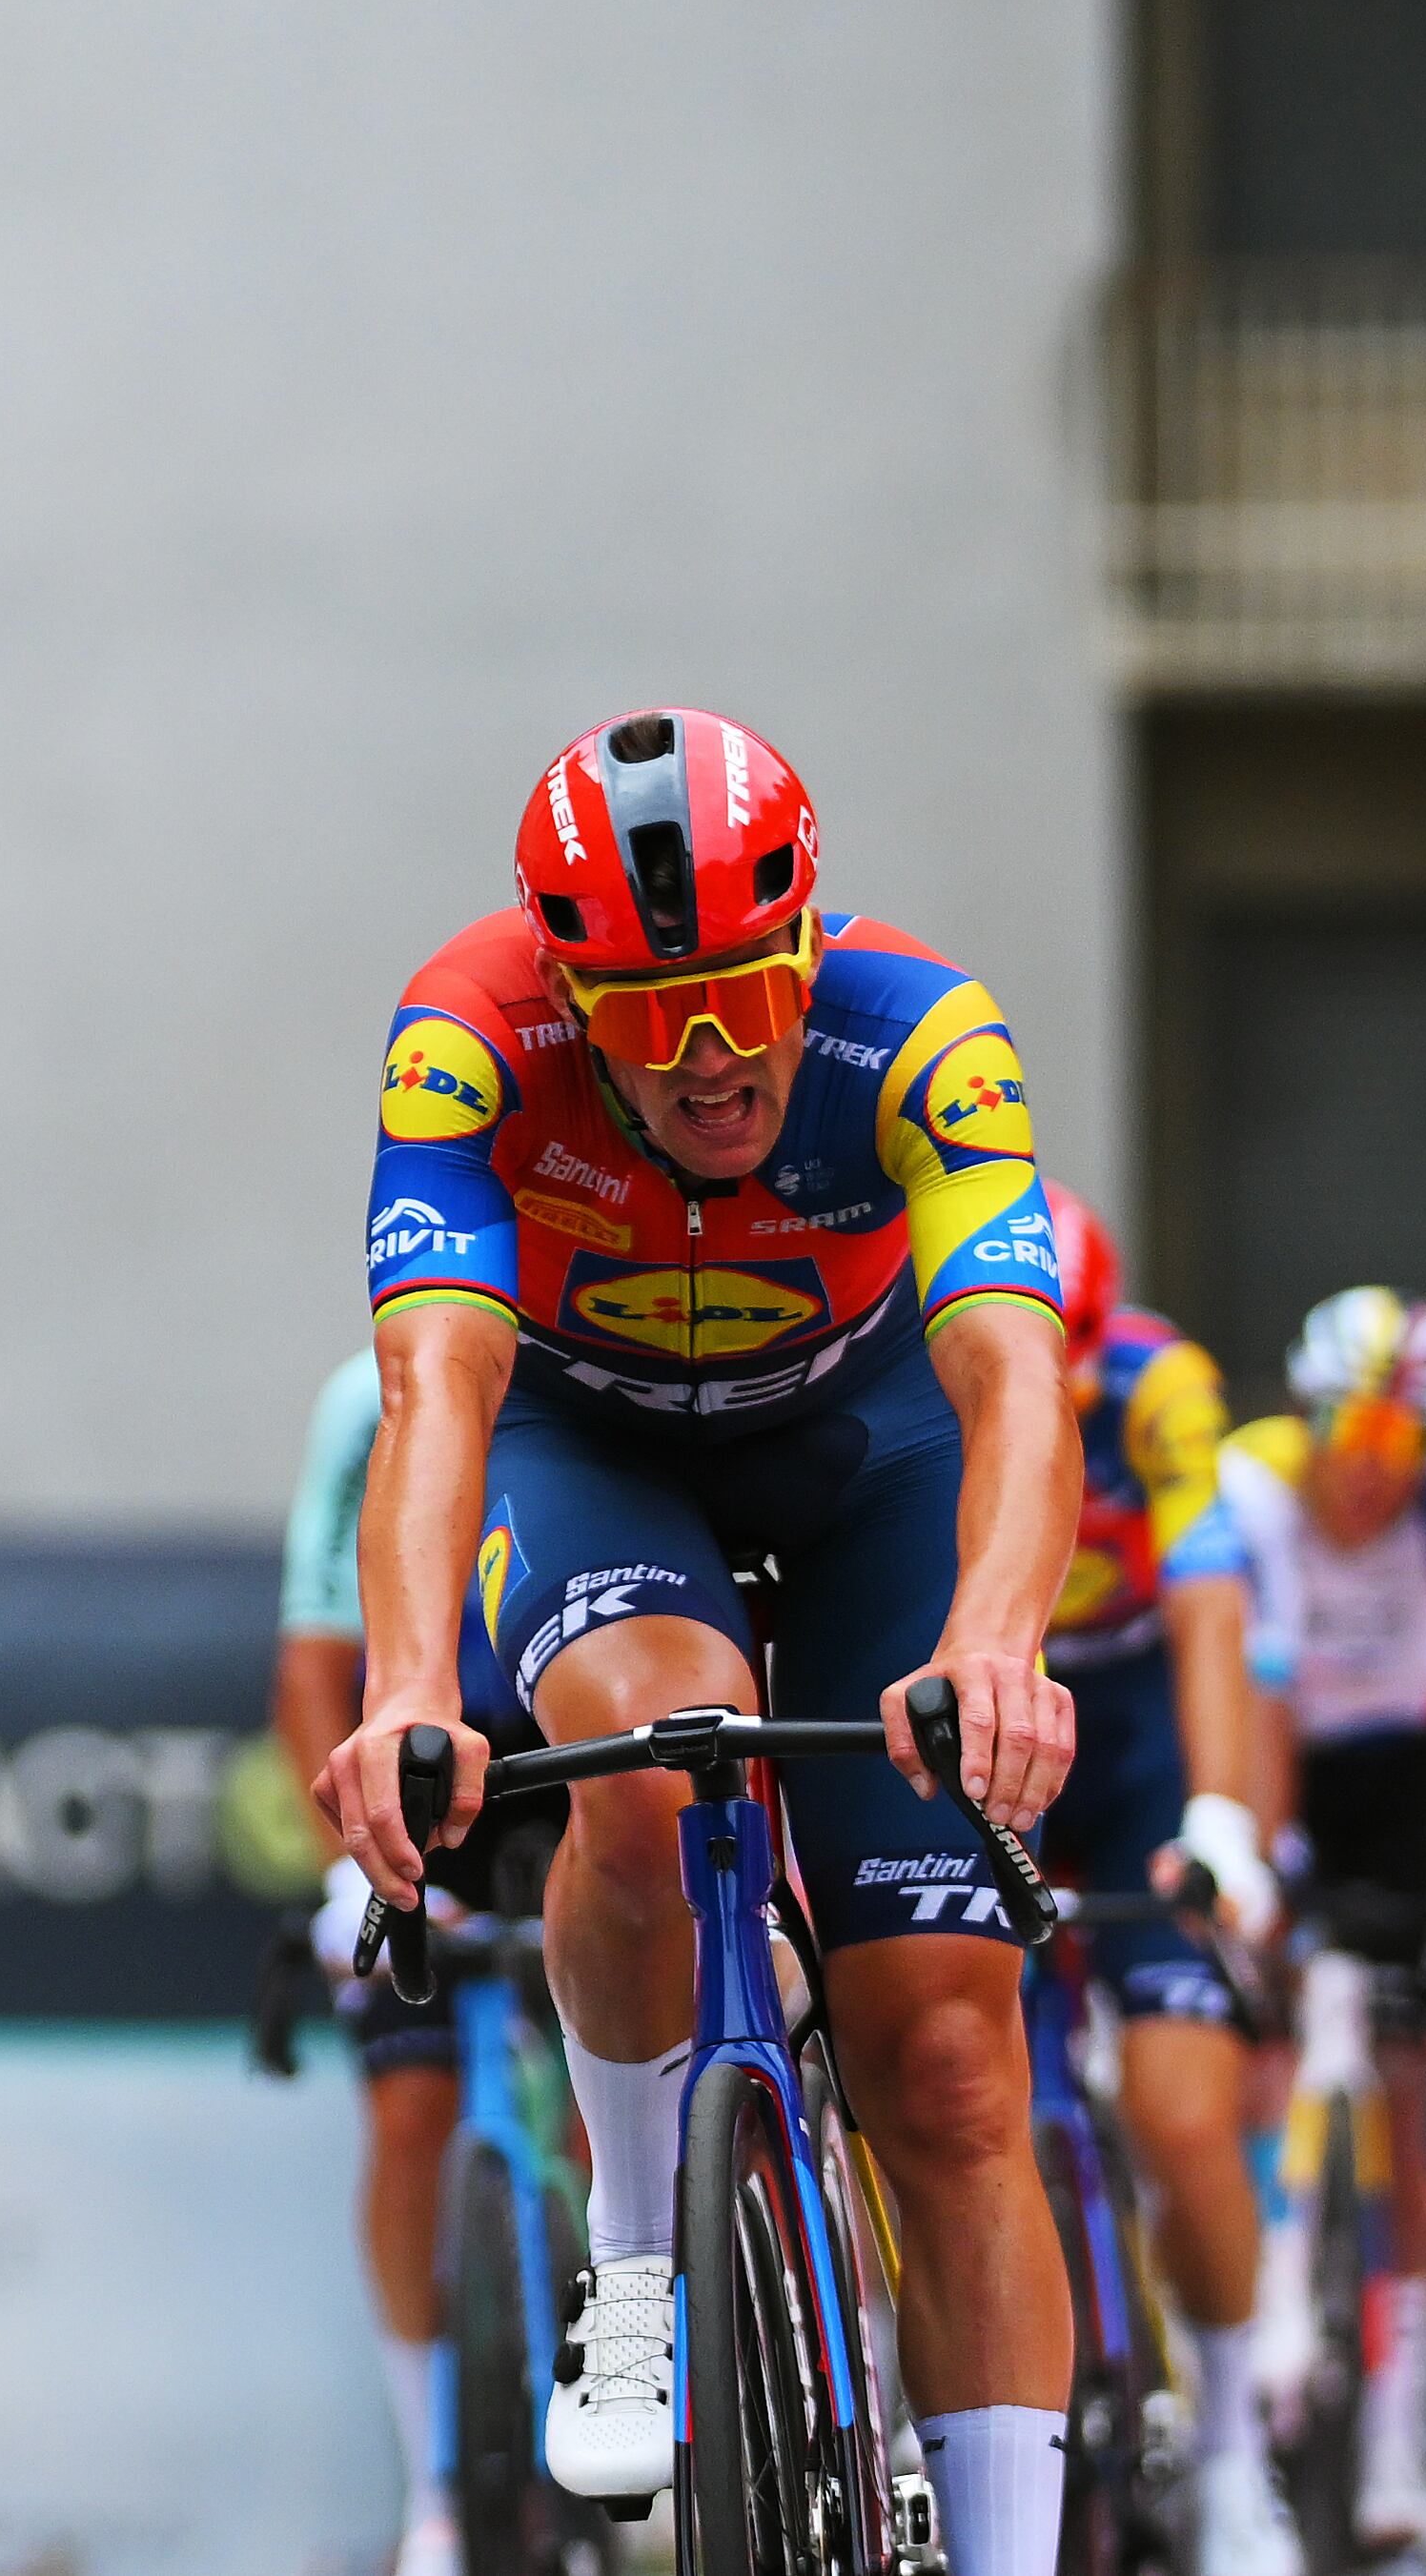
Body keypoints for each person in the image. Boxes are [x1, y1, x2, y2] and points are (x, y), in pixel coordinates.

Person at [317, 709, 1082, 2576]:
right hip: (591, 1445)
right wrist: (408, 1680)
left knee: (954, 2066)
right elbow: (433, 1383)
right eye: (654, 1014)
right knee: (660, 1767)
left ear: (805, 947)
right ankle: (642, 2263)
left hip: (868, 1444)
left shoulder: (920, 1032)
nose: (716, 1052)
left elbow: (1011, 1372)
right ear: (575, 991)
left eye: (746, 990)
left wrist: (994, 1639)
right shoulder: (468, 1040)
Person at [1212, 1286, 1426, 2553]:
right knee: (1257, 2028)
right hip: (1281, 1749)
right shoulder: (1254, 1481)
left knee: (1404, 2069)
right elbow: (1252, 1680)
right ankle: (1261, 2295)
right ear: (1307, 1415)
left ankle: (1393, 2446)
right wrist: (1262, 1863)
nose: (1363, 1472)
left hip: (1395, 1770)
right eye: (1347, 1434)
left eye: (1396, 1449)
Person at [1028, 1189, 1298, 2576]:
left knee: (1184, 2116)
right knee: (963, 2093)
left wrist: (1215, 1814)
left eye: (1072, 1360)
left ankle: (1238, 2460)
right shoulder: (919, 1355)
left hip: (1134, 1722)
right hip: (993, 1718)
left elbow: (1208, 1602)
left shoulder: (1155, 1384)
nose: (1057, 1394)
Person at [268, 1348, 568, 2576]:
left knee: (635, 2070)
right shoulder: (361, 1400)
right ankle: (432, 2479)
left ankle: (659, 2366)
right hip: (422, 1773)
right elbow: (310, 1662)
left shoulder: (595, 1357)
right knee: (407, 2112)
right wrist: (348, 1871)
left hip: (571, 1759)